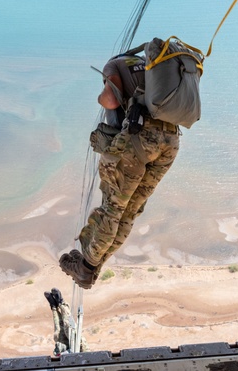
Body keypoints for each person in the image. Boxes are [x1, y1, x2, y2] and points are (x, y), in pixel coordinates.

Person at [59, 51, 181, 289]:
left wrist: (101, 96)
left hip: (139, 139)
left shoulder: (114, 64)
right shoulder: (153, 66)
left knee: (113, 208)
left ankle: (85, 269)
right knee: (130, 210)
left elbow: (111, 101)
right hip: (171, 142)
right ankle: (93, 264)